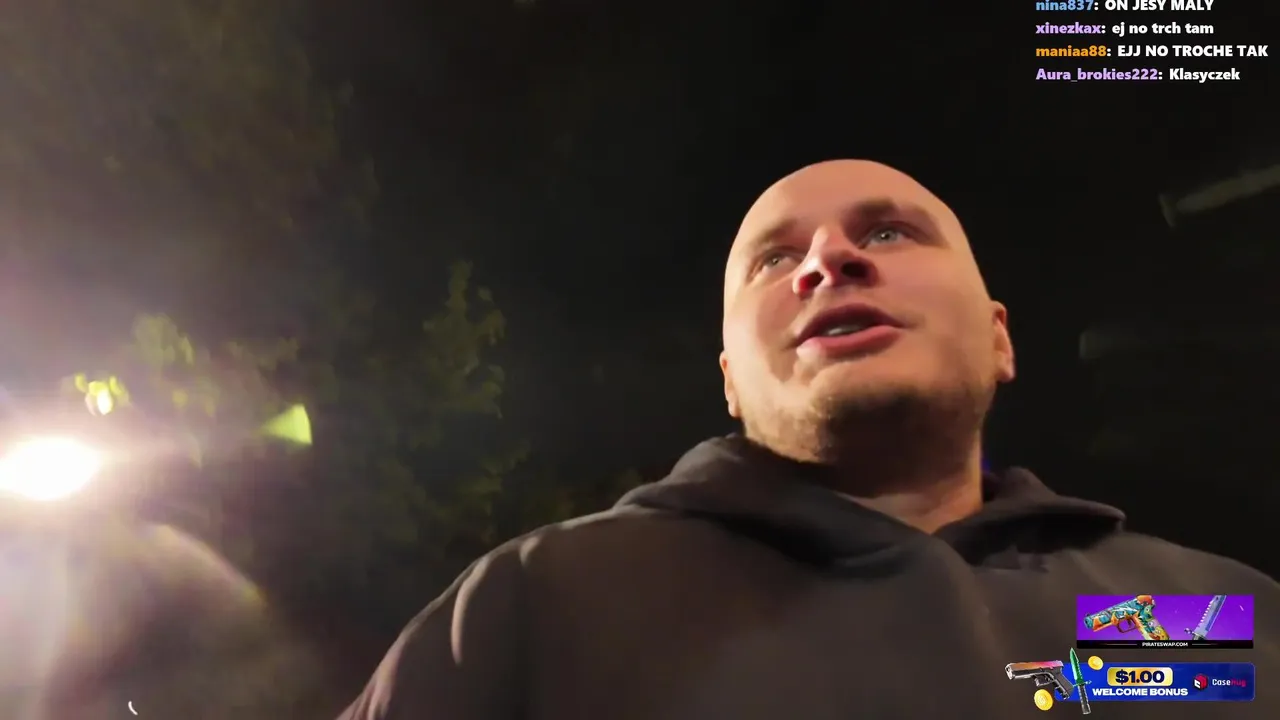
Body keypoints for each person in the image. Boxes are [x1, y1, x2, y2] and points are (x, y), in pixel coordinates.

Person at [336, 160, 1276, 719]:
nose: (829, 260)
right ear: (730, 382)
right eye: (776, 258)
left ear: (1000, 338)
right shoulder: (536, 602)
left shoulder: (1218, 612)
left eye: (891, 233)